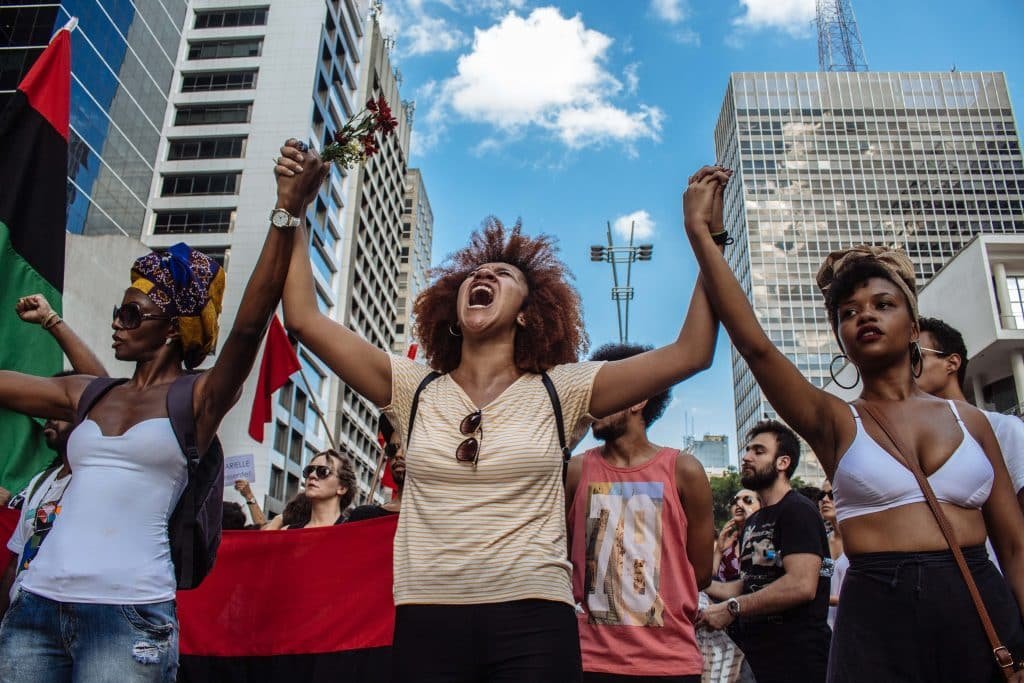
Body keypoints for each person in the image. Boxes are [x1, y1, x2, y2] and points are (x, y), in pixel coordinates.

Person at [277, 161, 723, 681]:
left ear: (528, 314)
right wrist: (294, 210)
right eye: (475, 274)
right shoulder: (410, 387)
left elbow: (693, 351)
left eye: (504, 274)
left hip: (534, 621)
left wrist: (706, 237)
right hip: (427, 616)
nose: (482, 275)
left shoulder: (564, 389)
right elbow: (304, 319)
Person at [0, 138, 327, 682]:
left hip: (128, 616)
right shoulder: (92, 394)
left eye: (132, 312)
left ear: (173, 329)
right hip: (34, 609)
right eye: (118, 310)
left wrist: (287, 209)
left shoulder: (197, 399)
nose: (117, 321)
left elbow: (249, 326)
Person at [684, 166, 1024, 682]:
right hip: (877, 618)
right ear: (840, 338)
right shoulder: (834, 420)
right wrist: (704, 238)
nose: (864, 316)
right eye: (847, 312)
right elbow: (754, 344)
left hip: (977, 604)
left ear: (912, 326)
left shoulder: (971, 421)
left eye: (882, 304)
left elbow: (1016, 545)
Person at [567, 341, 715, 682]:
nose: (593, 403)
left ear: (637, 398)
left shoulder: (684, 471)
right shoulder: (575, 471)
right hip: (590, 661)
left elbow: (701, 573)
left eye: (603, 391)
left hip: (669, 663)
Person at [1, 295, 109, 619]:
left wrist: (51, 320)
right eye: (44, 410)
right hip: (24, 622)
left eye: (57, 410)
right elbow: (16, 559)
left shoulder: (100, 472)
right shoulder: (39, 483)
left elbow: (102, 390)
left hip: (80, 620)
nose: (47, 419)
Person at [700, 420, 832, 682]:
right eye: (747, 450)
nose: (747, 457)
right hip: (758, 657)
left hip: (797, 660)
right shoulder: (754, 522)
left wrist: (732, 608)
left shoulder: (798, 510)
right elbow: (748, 585)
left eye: (759, 451)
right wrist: (699, 583)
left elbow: (802, 584)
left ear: (783, 463)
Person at [916, 316, 1024, 512]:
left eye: (917, 356)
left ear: (952, 363)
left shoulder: (1004, 428)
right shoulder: (916, 441)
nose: (908, 367)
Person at [276, 449, 356, 529]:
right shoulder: (288, 533)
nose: (312, 475)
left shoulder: (354, 531)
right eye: (309, 470)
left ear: (342, 488)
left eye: (323, 471)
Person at [347, 415, 405, 522]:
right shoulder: (363, 517)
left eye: (407, 447)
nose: (398, 454)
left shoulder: (442, 517)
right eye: (392, 449)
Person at [817, 481, 847, 631]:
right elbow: (825, 581)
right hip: (826, 628)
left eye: (832, 495)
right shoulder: (825, 540)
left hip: (851, 627)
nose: (825, 499)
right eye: (821, 495)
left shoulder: (858, 541)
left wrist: (819, 598)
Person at [713, 489, 760, 582]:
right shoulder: (728, 545)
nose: (739, 503)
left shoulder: (770, 536)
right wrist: (719, 551)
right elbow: (709, 580)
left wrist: (752, 524)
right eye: (734, 501)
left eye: (748, 500)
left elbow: (773, 558)